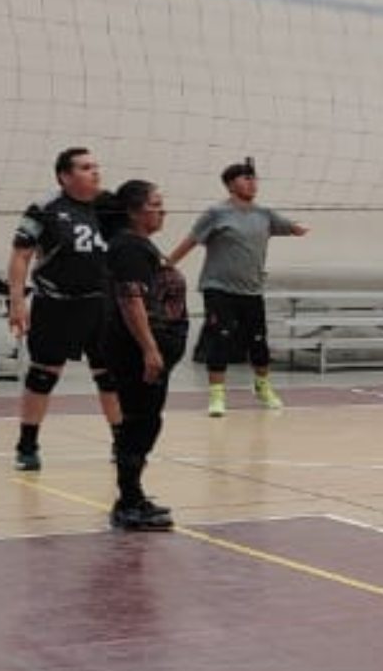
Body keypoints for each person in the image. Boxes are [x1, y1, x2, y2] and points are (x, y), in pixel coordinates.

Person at [169, 158, 307, 418]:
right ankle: (217, 395)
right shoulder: (216, 213)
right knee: (219, 339)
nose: (252, 183)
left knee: (258, 342)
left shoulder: (265, 214)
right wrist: (167, 264)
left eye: (254, 178)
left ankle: (262, 387)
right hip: (218, 287)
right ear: (231, 185)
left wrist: (298, 227)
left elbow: (291, 227)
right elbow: (191, 240)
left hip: (252, 290)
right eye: (246, 178)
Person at [6, 147, 110, 472]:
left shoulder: (111, 206)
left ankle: (122, 443)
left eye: (96, 166)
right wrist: (17, 302)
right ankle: (27, 446)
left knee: (110, 376)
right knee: (43, 375)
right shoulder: (44, 209)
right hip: (57, 304)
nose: (95, 172)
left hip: (101, 304)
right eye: (86, 167)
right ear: (65, 176)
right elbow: (21, 255)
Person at [93, 179, 189, 531]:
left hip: (147, 345)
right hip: (135, 350)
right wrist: (150, 349)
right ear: (134, 212)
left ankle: (132, 497)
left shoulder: (136, 244)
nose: (163, 211)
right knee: (140, 423)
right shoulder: (129, 247)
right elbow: (130, 300)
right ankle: (128, 503)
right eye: (156, 205)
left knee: (145, 421)